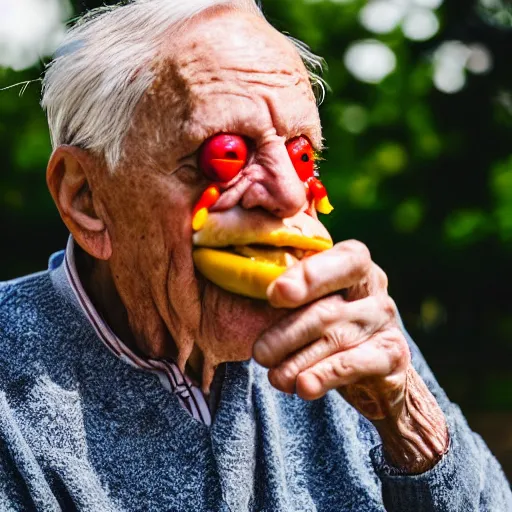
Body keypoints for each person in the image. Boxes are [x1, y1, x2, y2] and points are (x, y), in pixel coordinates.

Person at [1, 0, 510, 510]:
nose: (290, 195)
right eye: (226, 154)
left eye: (302, 155)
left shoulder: (353, 331)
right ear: (86, 199)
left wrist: (411, 428)